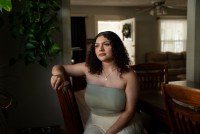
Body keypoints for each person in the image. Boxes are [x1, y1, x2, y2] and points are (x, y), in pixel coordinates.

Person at [50, 31, 145, 134]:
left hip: (124, 122)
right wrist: (58, 75)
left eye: (106, 44)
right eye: (96, 45)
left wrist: (109, 132)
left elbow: (130, 112)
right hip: (96, 122)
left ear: (116, 47)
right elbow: (58, 67)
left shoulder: (129, 75)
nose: (100, 49)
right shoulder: (88, 69)